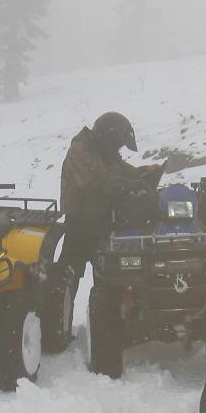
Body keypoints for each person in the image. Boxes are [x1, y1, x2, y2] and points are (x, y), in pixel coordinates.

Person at [59, 112, 153, 288]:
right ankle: (58, 314)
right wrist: (129, 183)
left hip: (104, 222)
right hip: (80, 224)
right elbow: (100, 181)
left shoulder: (105, 152)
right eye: (117, 144)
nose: (118, 149)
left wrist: (144, 172)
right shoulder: (80, 151)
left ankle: (102, 312)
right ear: (108, 137)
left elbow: (123, 171)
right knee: (66, 280)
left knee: (108, 277)